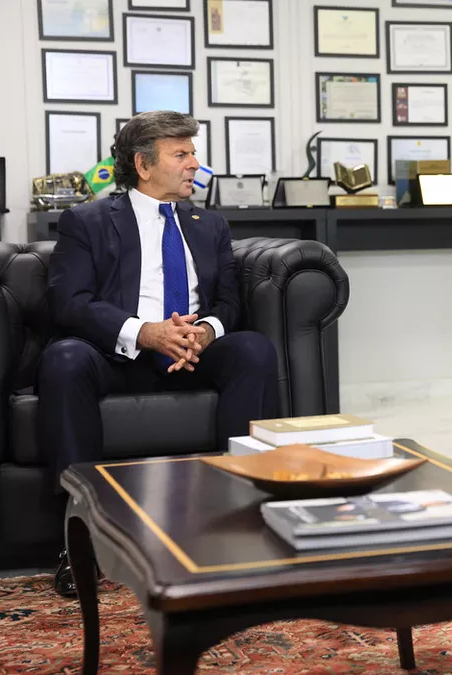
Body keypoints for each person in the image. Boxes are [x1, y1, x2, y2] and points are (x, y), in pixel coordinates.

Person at [38, 111, 280, 595]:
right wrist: (145, 333)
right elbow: (69, 302)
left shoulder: (210, 225)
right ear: (143, 165)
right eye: (181, 154)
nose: (195, 164)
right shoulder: (86, 221)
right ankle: (79, 541)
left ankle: (243, 522)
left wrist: (205, 332)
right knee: (64, 360)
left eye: (193, 152)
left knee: (253, 350)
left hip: (192, 354)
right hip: (117, 357)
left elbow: (229, 302)